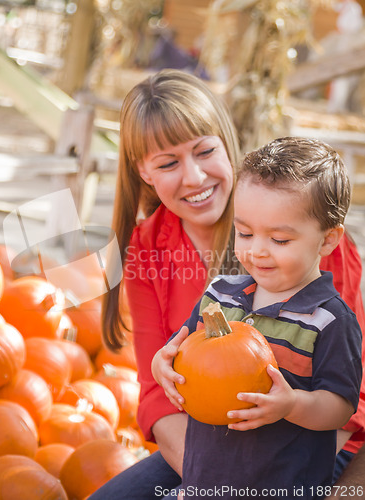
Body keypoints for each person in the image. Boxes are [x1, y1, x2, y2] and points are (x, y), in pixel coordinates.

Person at [91, 69, 365, 499]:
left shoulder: (311, 237)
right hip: (204, 449)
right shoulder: (148, 249)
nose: (196, 178)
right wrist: (207, 483)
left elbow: (348, 396)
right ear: (144, 172)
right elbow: (156, 394)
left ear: (227, 142)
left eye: (204, 151)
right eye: (168, 163)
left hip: (306, 450)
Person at [152, 136, 362, 498]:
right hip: (205, 481)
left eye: (279, 240)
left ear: (328, 240)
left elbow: (340, 407)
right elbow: (179, 350)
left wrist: (292, 405)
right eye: (245, 233)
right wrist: (163, 365)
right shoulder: (218, 296)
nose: (257, 251)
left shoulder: (329, 320)